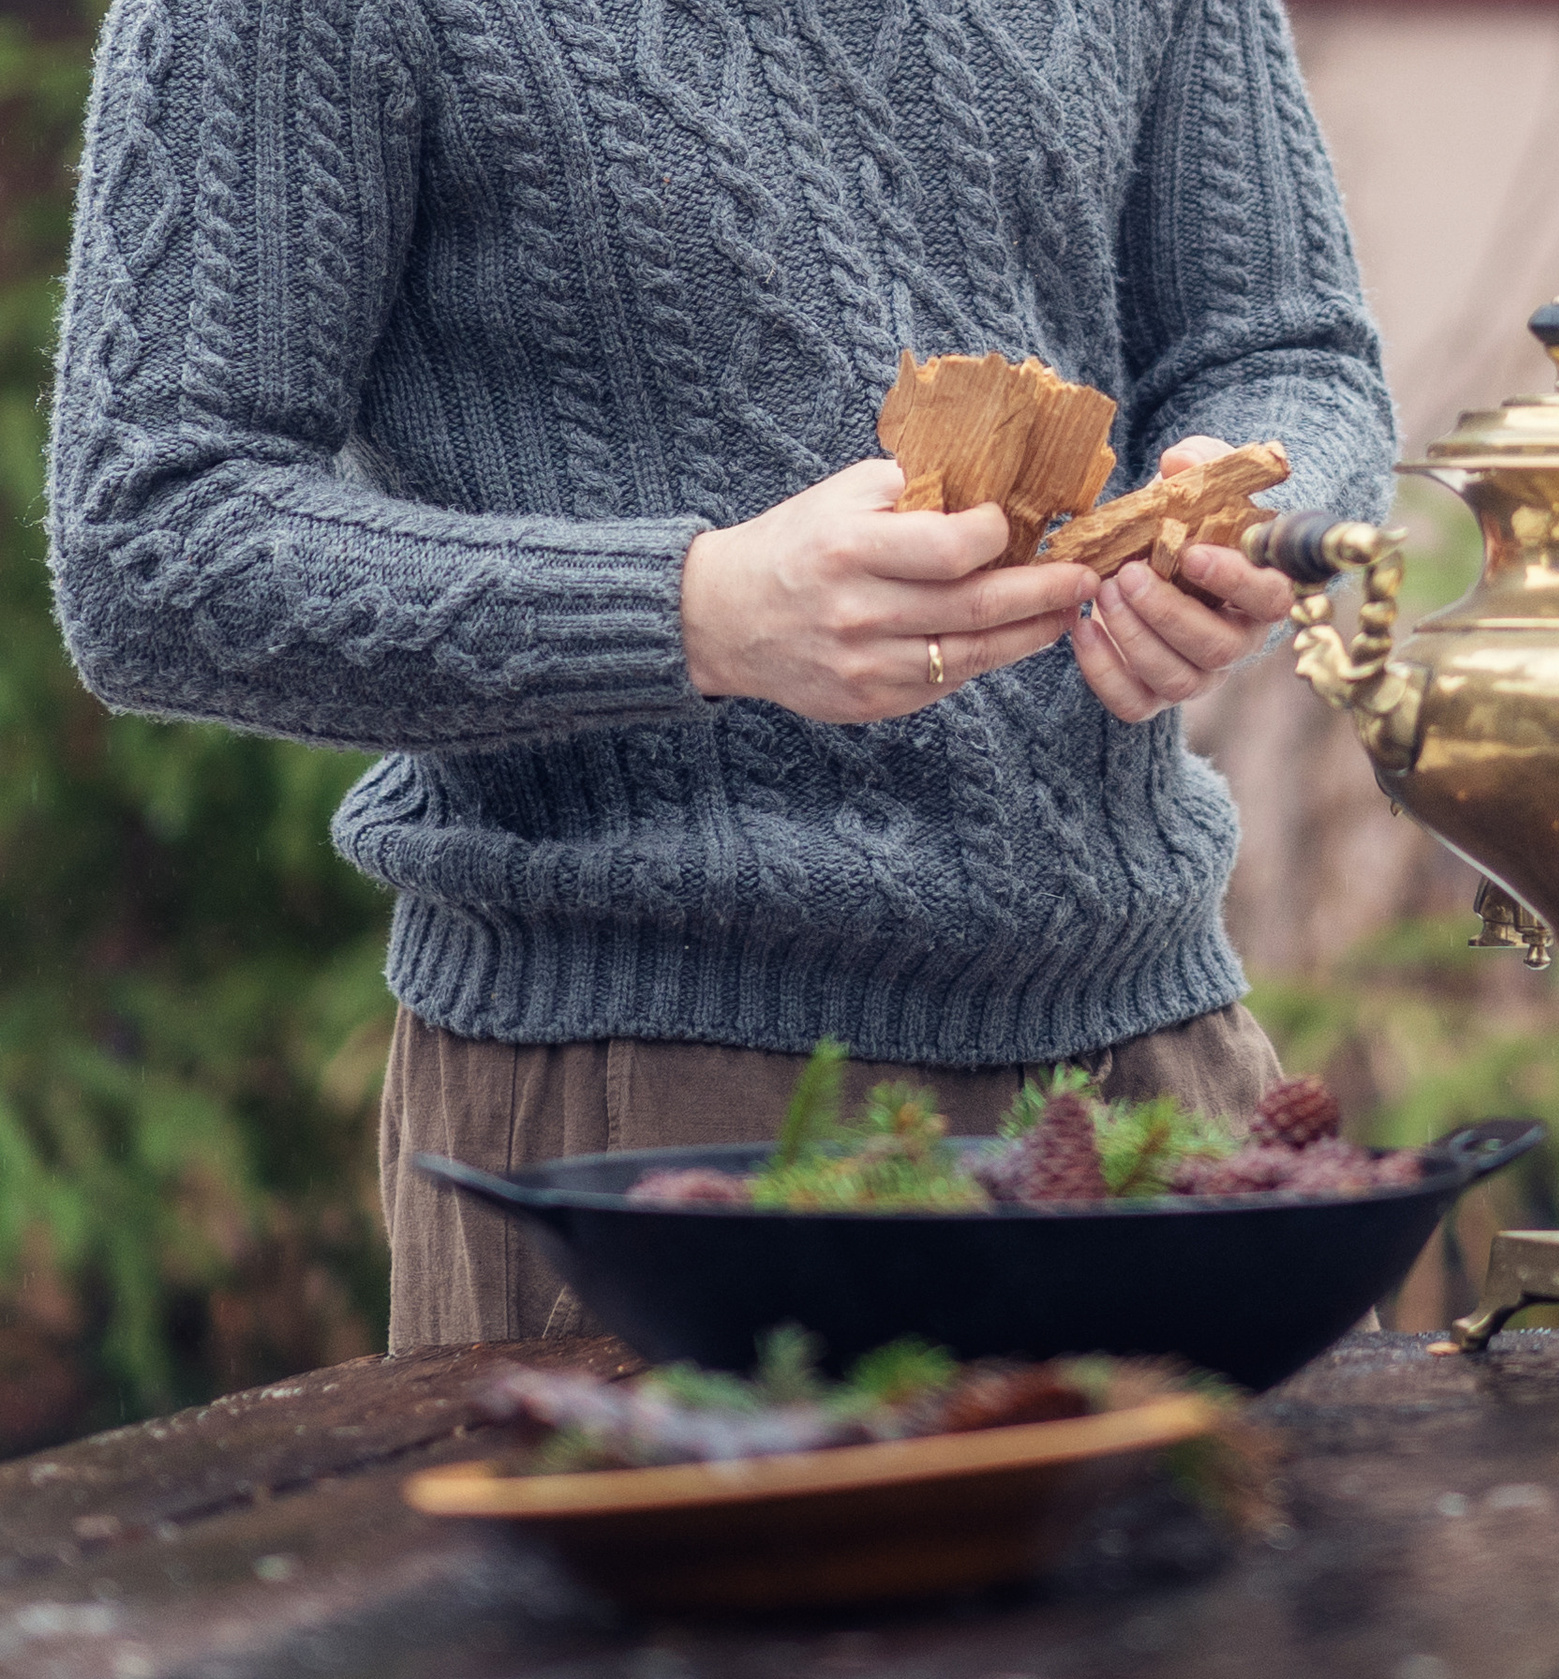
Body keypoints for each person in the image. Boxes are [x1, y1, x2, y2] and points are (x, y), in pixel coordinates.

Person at [46, 0, 1396, 1349]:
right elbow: (154, 540)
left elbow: (1286, 351)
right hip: (651, 1132)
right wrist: (700, 611)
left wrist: (1239, 529)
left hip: (1162, 1073)